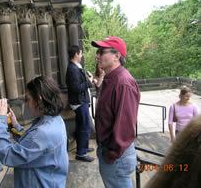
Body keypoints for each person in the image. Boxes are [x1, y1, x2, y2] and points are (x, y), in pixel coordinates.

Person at [0, 76, 69, 188]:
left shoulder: (43, 132)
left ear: (39, 99)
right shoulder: (54, 120)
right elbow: (30, 144)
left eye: (27, 99)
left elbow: (8, 155)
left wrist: (0, 120)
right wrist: (14, 125)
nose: (26, 104)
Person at [92, 36, 140, 188]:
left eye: (101, 51)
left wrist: (111, 153)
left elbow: (125, 126)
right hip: (110, 152)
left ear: (117, 56)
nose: (97, 55)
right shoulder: (111, 78)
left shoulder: (123, 82)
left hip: (116, 156)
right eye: (97, 51)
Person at [145, 115, 201, 188]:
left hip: (188, 137)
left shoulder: (193, 108)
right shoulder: (174, 106)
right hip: (185, 137)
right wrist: (172, 138)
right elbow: (170, 122)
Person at [66, 45, 95, 162]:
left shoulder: (76, 67)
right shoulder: (72, 69)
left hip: (81, 101)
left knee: (81, 126)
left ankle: (83, 147)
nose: (82, 55)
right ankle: (81, 153)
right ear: (76, 54)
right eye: (81, 53)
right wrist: (90, 82)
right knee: (85, 127)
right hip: (79, 102)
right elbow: (76, 88)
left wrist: (88, 79)